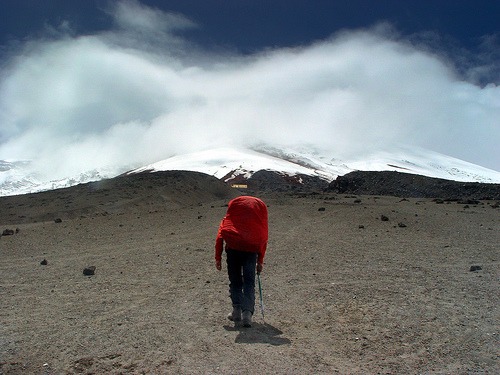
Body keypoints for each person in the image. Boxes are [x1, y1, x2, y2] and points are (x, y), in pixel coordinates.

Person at [215, 195, 268, 327]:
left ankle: (236, 311)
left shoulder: (230, 220)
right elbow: (263, 239)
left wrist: (218, 258)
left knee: (235, 281)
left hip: (233, 250)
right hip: (251, 252)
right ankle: (247, 314)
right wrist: (260, 261)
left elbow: (220, 237)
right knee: (249, 282)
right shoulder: (257, 223)